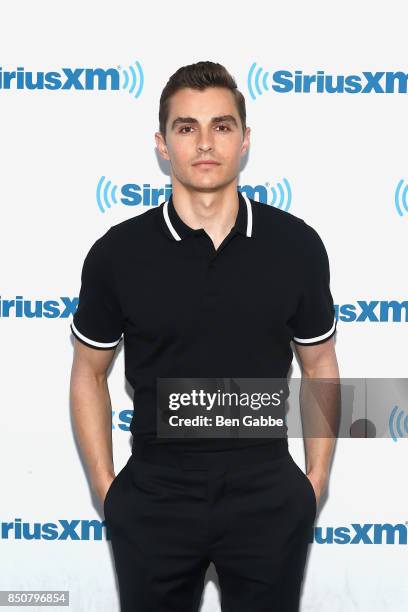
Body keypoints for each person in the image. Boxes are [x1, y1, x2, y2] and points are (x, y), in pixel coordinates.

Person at [69, 61, 340, 611]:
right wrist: (108, 491)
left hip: (266, 488)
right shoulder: (117, 253)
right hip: (154, 493)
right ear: (162, 144)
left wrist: (313, 482)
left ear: (244, 140)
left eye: (221, 126)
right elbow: (88, 374)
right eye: (186, 127)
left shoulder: (297, 246)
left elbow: (320, 367)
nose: (205, 143)